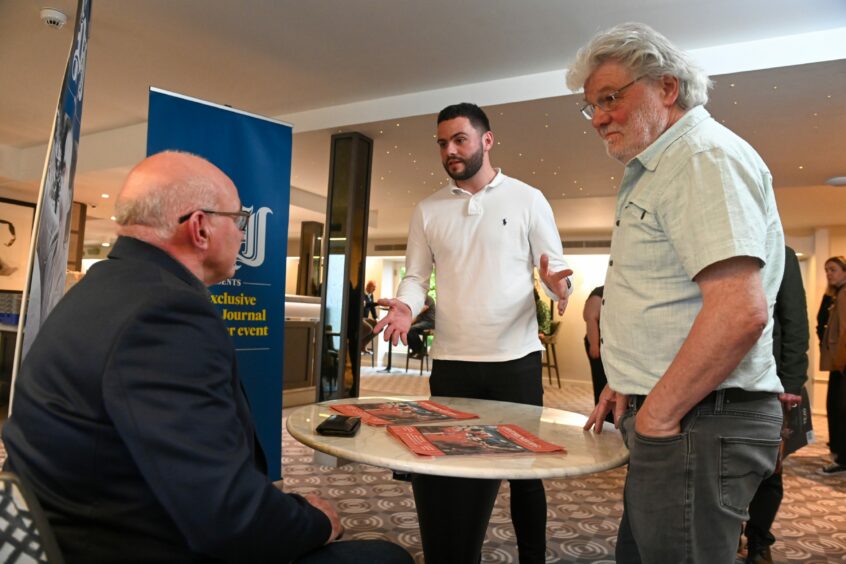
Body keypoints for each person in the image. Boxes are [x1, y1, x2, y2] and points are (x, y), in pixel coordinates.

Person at [2, 151, 412, 564]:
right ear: (200, 228)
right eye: (239, 222)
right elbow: (227, 516)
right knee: (386, 557)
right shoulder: (164, 315)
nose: (242, 236)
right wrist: (317, 521)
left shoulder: (103, 287)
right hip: (129, 544)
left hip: (88, 525)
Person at [569, 23, 785, 564]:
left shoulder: (700, 158)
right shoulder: (659, 167)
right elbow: (667, 299)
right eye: (591, 106)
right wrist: (630, 381)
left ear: (667, 88)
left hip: (699, 418)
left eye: (610, 98)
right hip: (686, 415)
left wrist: (657, 414)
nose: (597, 118)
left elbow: (739, 312)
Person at [374, 102, 573, 564]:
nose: (450, 150)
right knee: (450, 468)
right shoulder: (428, 209)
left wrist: (557, 282)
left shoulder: (528, 198)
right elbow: (416, 276)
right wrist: (405, 305)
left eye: (459, 139)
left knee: (526, 473)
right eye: (442, 143)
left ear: (487, 140)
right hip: (453, 363)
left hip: (515, 361)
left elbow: (553, 265)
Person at [743, 246, 808, 563]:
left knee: (769, 470)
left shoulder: (781, 253)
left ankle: (758, 539)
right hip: (715, 381)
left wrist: (792, 381)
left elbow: (795, 319)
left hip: (771, 384)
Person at [819, 255, 846, 475]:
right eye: (827, 270)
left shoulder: (845, 293)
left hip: (842, 365)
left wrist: (839, 361)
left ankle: (842, 459)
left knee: (839, 410)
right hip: (840, 364)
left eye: (833, 269)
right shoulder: (838, 294)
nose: (829, 273)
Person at [582, 285, 605, 406]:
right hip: (599, 345)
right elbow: (591, 317)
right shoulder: (599, 292)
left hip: (609, 345)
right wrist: (594, 345)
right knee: (602, 382)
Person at [407, 294, 435, 358]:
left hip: (429, 322)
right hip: (421, 322)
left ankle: (422, 350)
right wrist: (408, 324)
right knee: (407, 329)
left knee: (411, 329)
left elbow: (423, 308)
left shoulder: (428, 298)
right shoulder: (418, 300)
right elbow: (416, 317)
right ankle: (416, 350)